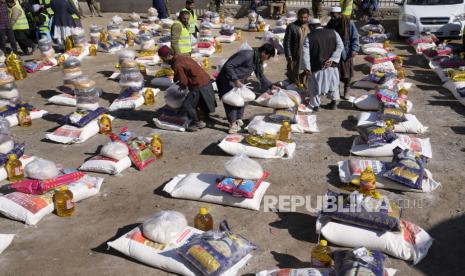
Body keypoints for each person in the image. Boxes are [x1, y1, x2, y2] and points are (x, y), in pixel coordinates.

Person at [216, 43, 276, 134]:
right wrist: (235, 79)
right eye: (268, 57)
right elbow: (229, 65)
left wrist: (271, 85)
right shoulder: (247, 55)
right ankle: (232, 124)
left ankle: (238, 119)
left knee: (244, 99)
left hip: (239, 81)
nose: (267, 59)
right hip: (228, 80)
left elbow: (260, 75)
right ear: (264, 53)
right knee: (232, 102)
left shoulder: (257, 59)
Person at [157, 46, 216, 132]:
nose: (163, 60)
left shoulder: (177, 64)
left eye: (162, 58)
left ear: (167, 56)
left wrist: (180, 90)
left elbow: (183, 81)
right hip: (205, 81)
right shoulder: (181, 57)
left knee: (187, 105)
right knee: (200, 101)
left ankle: (197, 123)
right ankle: (206, 118)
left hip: (198, 84)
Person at [302, 18, 343, 111]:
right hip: (332, 66)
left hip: (317, 67)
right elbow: (340, 46)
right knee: (334, 84)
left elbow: (305, 54)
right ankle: (333, 103)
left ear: (311, 26)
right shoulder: (333, 32)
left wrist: (307, 68)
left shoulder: (309, 37)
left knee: (315, 87)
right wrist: (332, 59)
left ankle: (316, 106)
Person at [326, 6, 359, 99]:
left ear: (340, 14)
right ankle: (336, 92)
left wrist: (355, 49)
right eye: (331, 15)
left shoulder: (349, 23)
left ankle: (346, 91)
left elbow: (355, 37)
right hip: (334, 51)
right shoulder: (331, 23)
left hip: (346, 51)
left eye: (334, 15)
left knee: (347, 73)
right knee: (335, 73)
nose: (333, 17)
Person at [283, 8, 310, 85]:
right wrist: (288, 55)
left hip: (307, 55)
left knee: (306, 72)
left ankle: (304, 87)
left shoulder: (310, 26)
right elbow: (286, 42)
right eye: (301, 17)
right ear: (298, 16)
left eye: (305, 17)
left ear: (308, 17)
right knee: (294, 73)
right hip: (295, 55)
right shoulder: (292, 27)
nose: (303, 19)